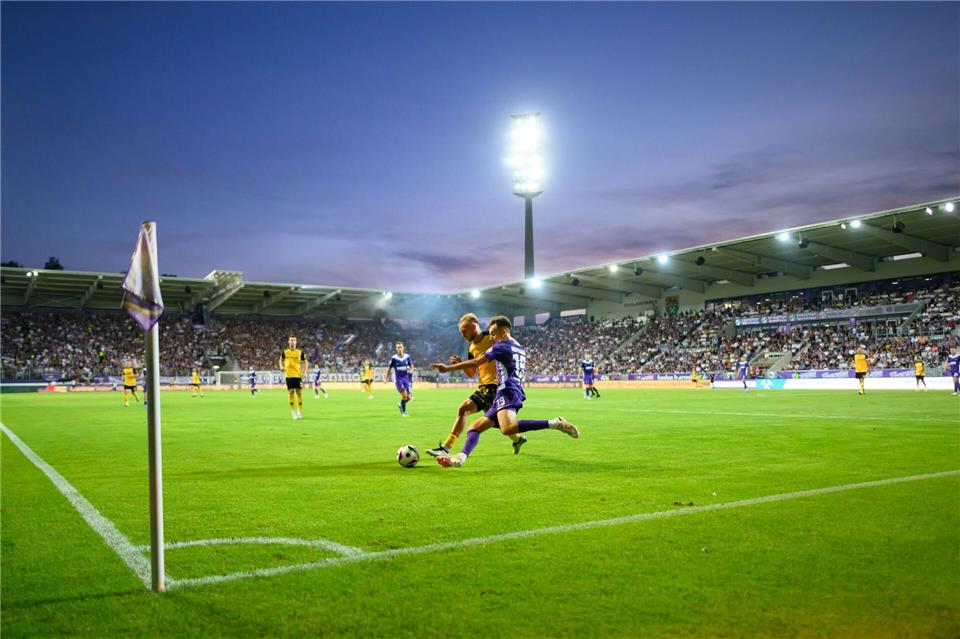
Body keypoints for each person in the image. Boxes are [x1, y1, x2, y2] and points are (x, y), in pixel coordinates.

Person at [430, 316, 579, 469]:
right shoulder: (518, 346)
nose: (492, 338)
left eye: (494, 334)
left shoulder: (501, 346)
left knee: (507, 428)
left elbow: (476, 362)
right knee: (474, 427)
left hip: (506, 390)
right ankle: (460, 458)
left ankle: (555, 423)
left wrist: (447, 368)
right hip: (509, 390)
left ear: (503, 331)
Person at [426, 313, 526, 458]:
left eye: (464, 331)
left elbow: (505, 350)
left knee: (464, 409)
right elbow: (472, 372)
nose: (462, 335)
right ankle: (517, 438)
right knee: (496, 423)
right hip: (484, 386)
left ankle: (446, 448)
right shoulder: (471, 348)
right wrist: (460, 362)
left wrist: (448, 368)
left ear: (473, 327)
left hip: (496, 387)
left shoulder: (491, 336)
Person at [279, 336, 307, 420]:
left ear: (296, 342)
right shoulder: (285, 352)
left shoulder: (300, 352)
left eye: (294, 340)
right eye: (291, 340)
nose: (293, 342)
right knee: (291, 392)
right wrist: (281, 366)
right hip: (288, 375)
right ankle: (293, 412)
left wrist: (304, 372)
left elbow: (306, 362)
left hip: (298, 375)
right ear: (289, 342)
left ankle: (299, 412)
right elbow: (280, 359)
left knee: (299, 393)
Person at [386, 341, 414, 416]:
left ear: (403, 348)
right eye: (398, 347)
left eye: (401, 347)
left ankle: (400, 404)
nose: (400, 349)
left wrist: (411, 370)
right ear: (396, 349)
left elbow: (412, 366)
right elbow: (389, 369)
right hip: (398, 379)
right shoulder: (394, 358)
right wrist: (386, 378)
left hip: (406, 378)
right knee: (404, 396)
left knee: (409, 397)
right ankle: (404, 412)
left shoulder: (407, 357)